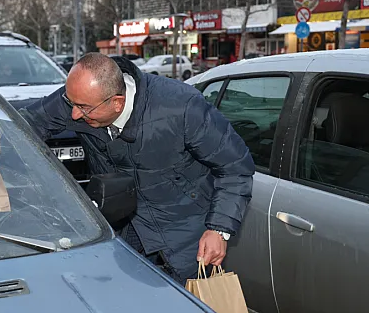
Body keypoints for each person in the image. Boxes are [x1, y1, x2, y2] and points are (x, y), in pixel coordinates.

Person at [19, 53, 254, 284]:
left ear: (117, 102)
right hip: (120, 230)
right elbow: (26, 123)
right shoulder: (82, 97)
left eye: (83, 108)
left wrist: (219, 230)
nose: (74, 114)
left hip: (184, 233)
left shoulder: (183, 107)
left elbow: (235, 167)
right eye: (71, 103)